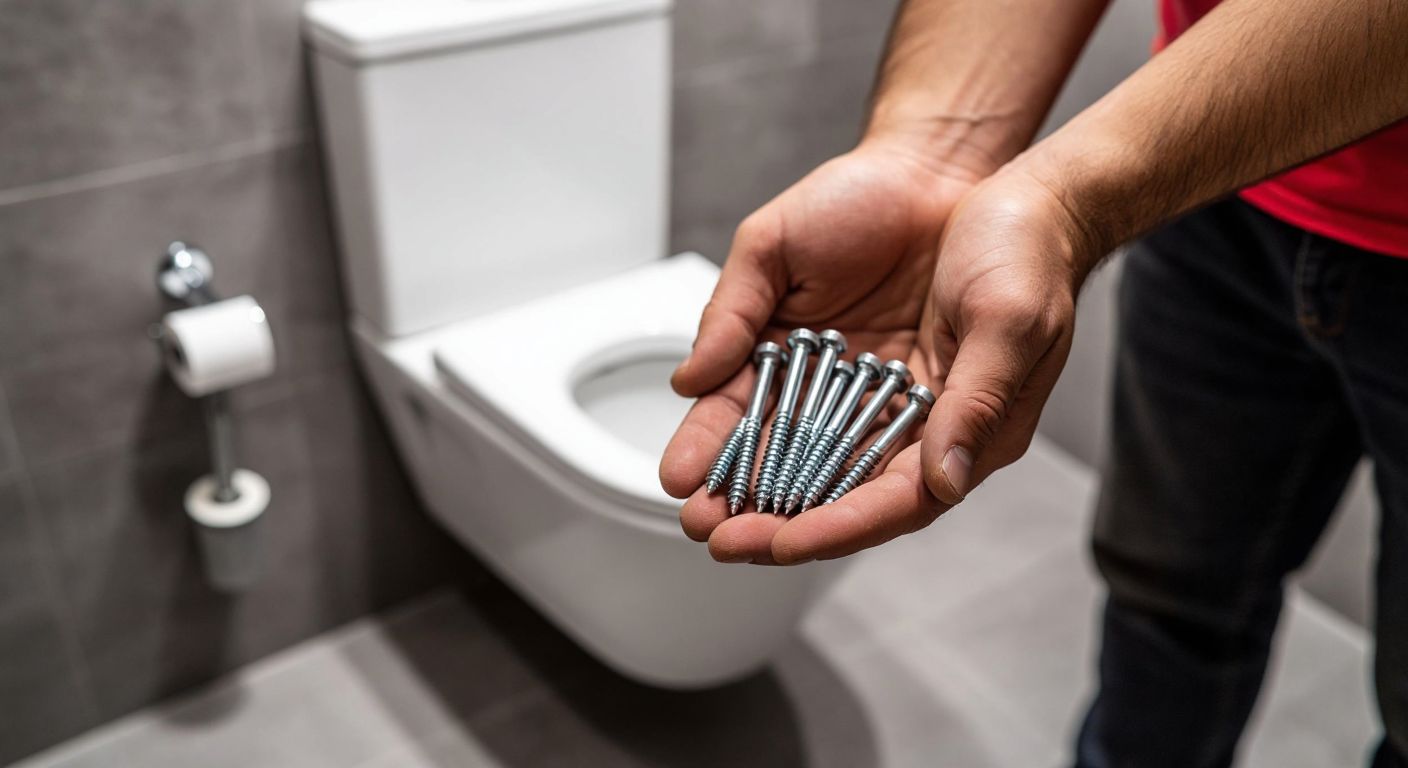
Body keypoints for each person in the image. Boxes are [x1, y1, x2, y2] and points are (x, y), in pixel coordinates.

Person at [657, 0, 1408, 765]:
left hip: (1209, 154)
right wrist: (929, 156)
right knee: (1166, 589)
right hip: (1219, 164)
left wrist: (1057, 203)